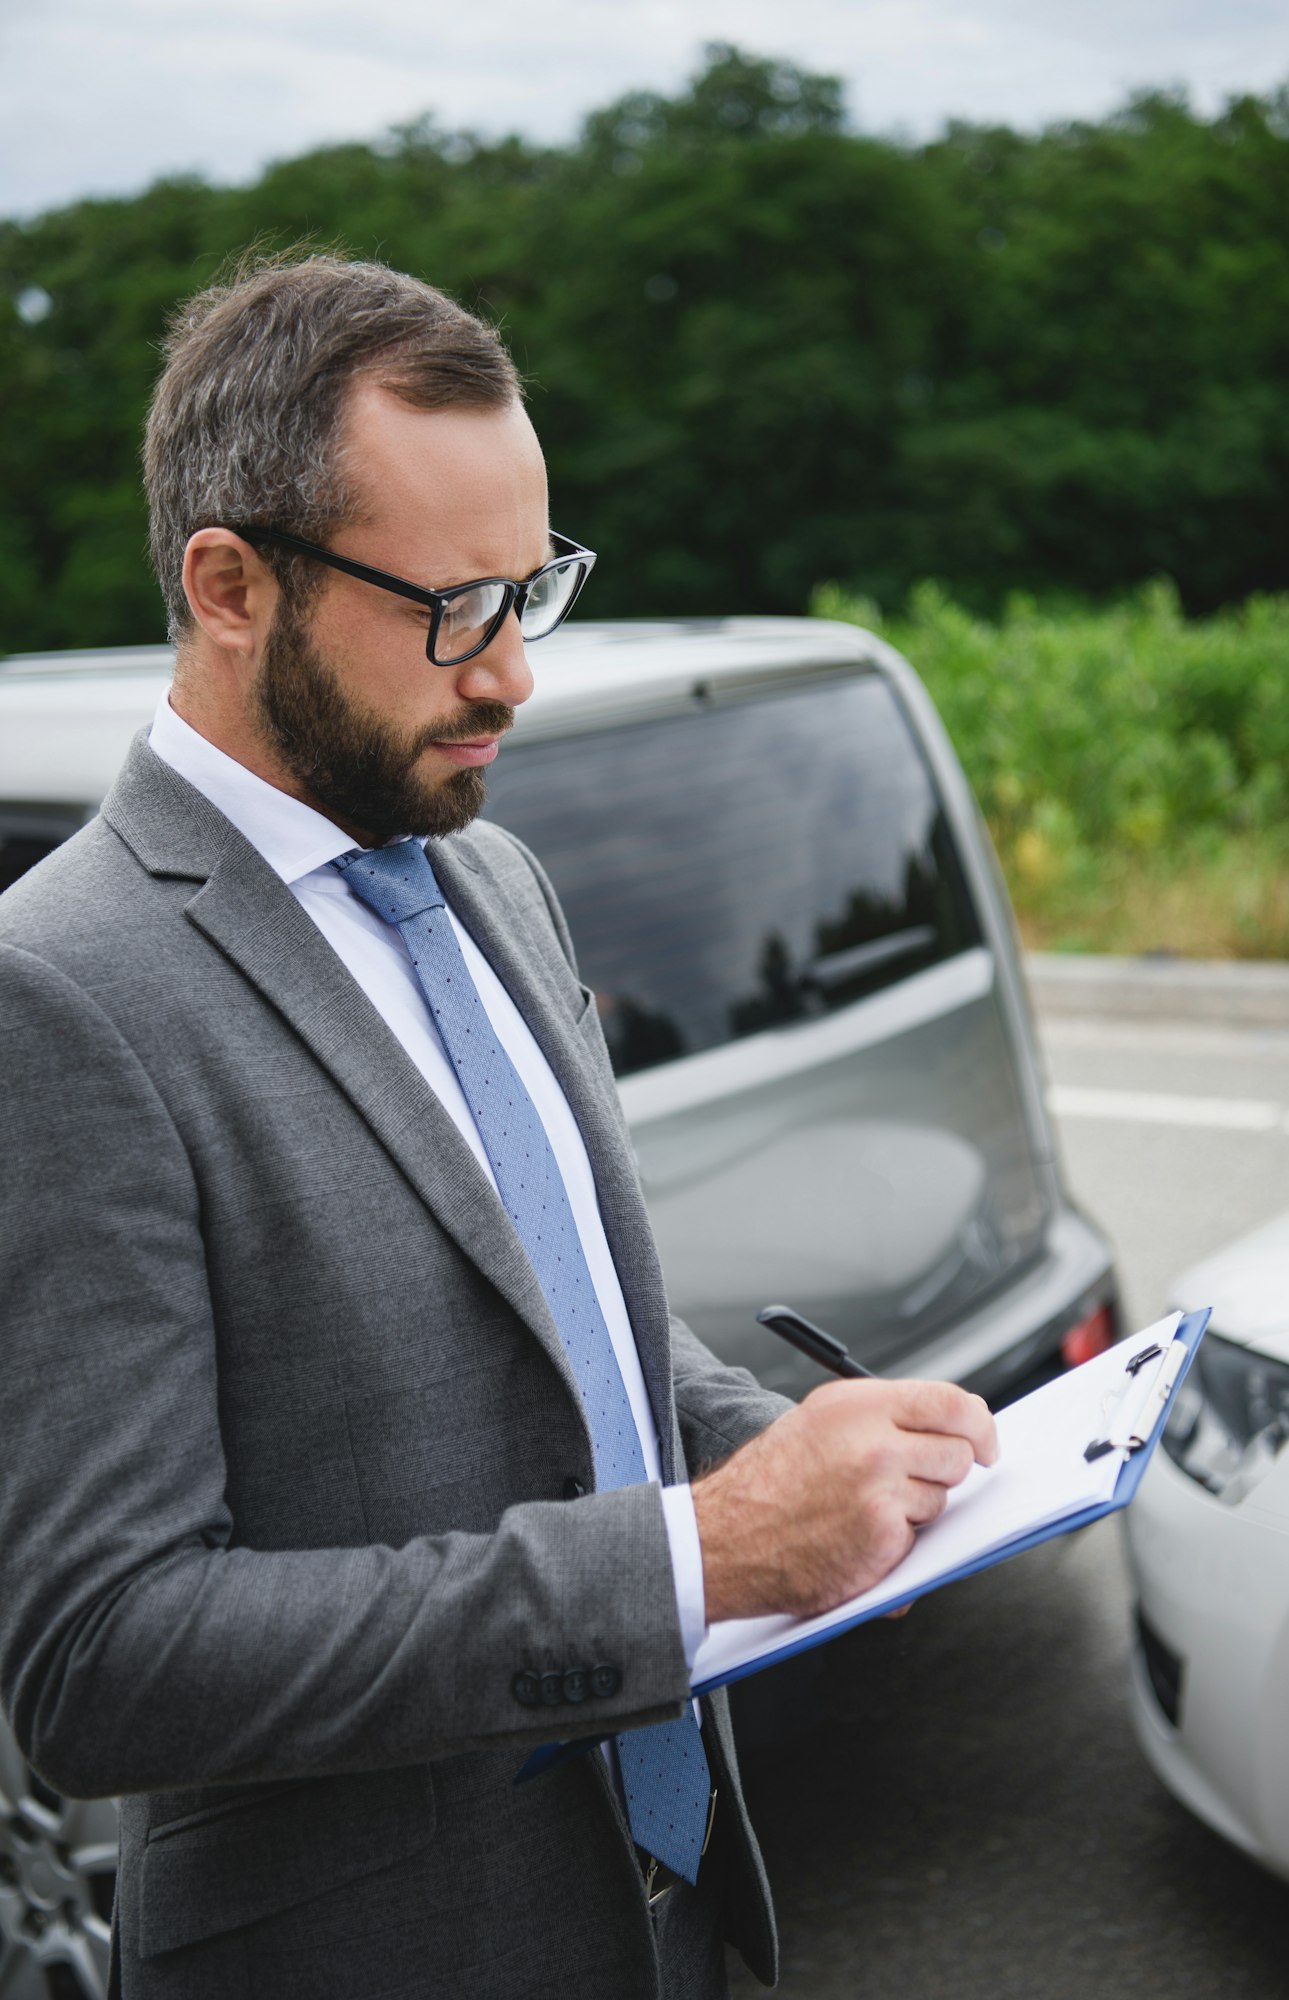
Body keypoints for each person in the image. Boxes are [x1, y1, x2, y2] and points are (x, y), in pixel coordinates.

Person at [0, 255, 997, 2000]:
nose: (516, 673)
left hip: (675, 1909)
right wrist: (702, 1557)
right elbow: (105, 1661)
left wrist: (819, 1458)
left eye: (535, 588)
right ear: (230, 585)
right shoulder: (59, 992)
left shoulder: (493, 875)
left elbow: (583, 1325)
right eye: (458, 607)